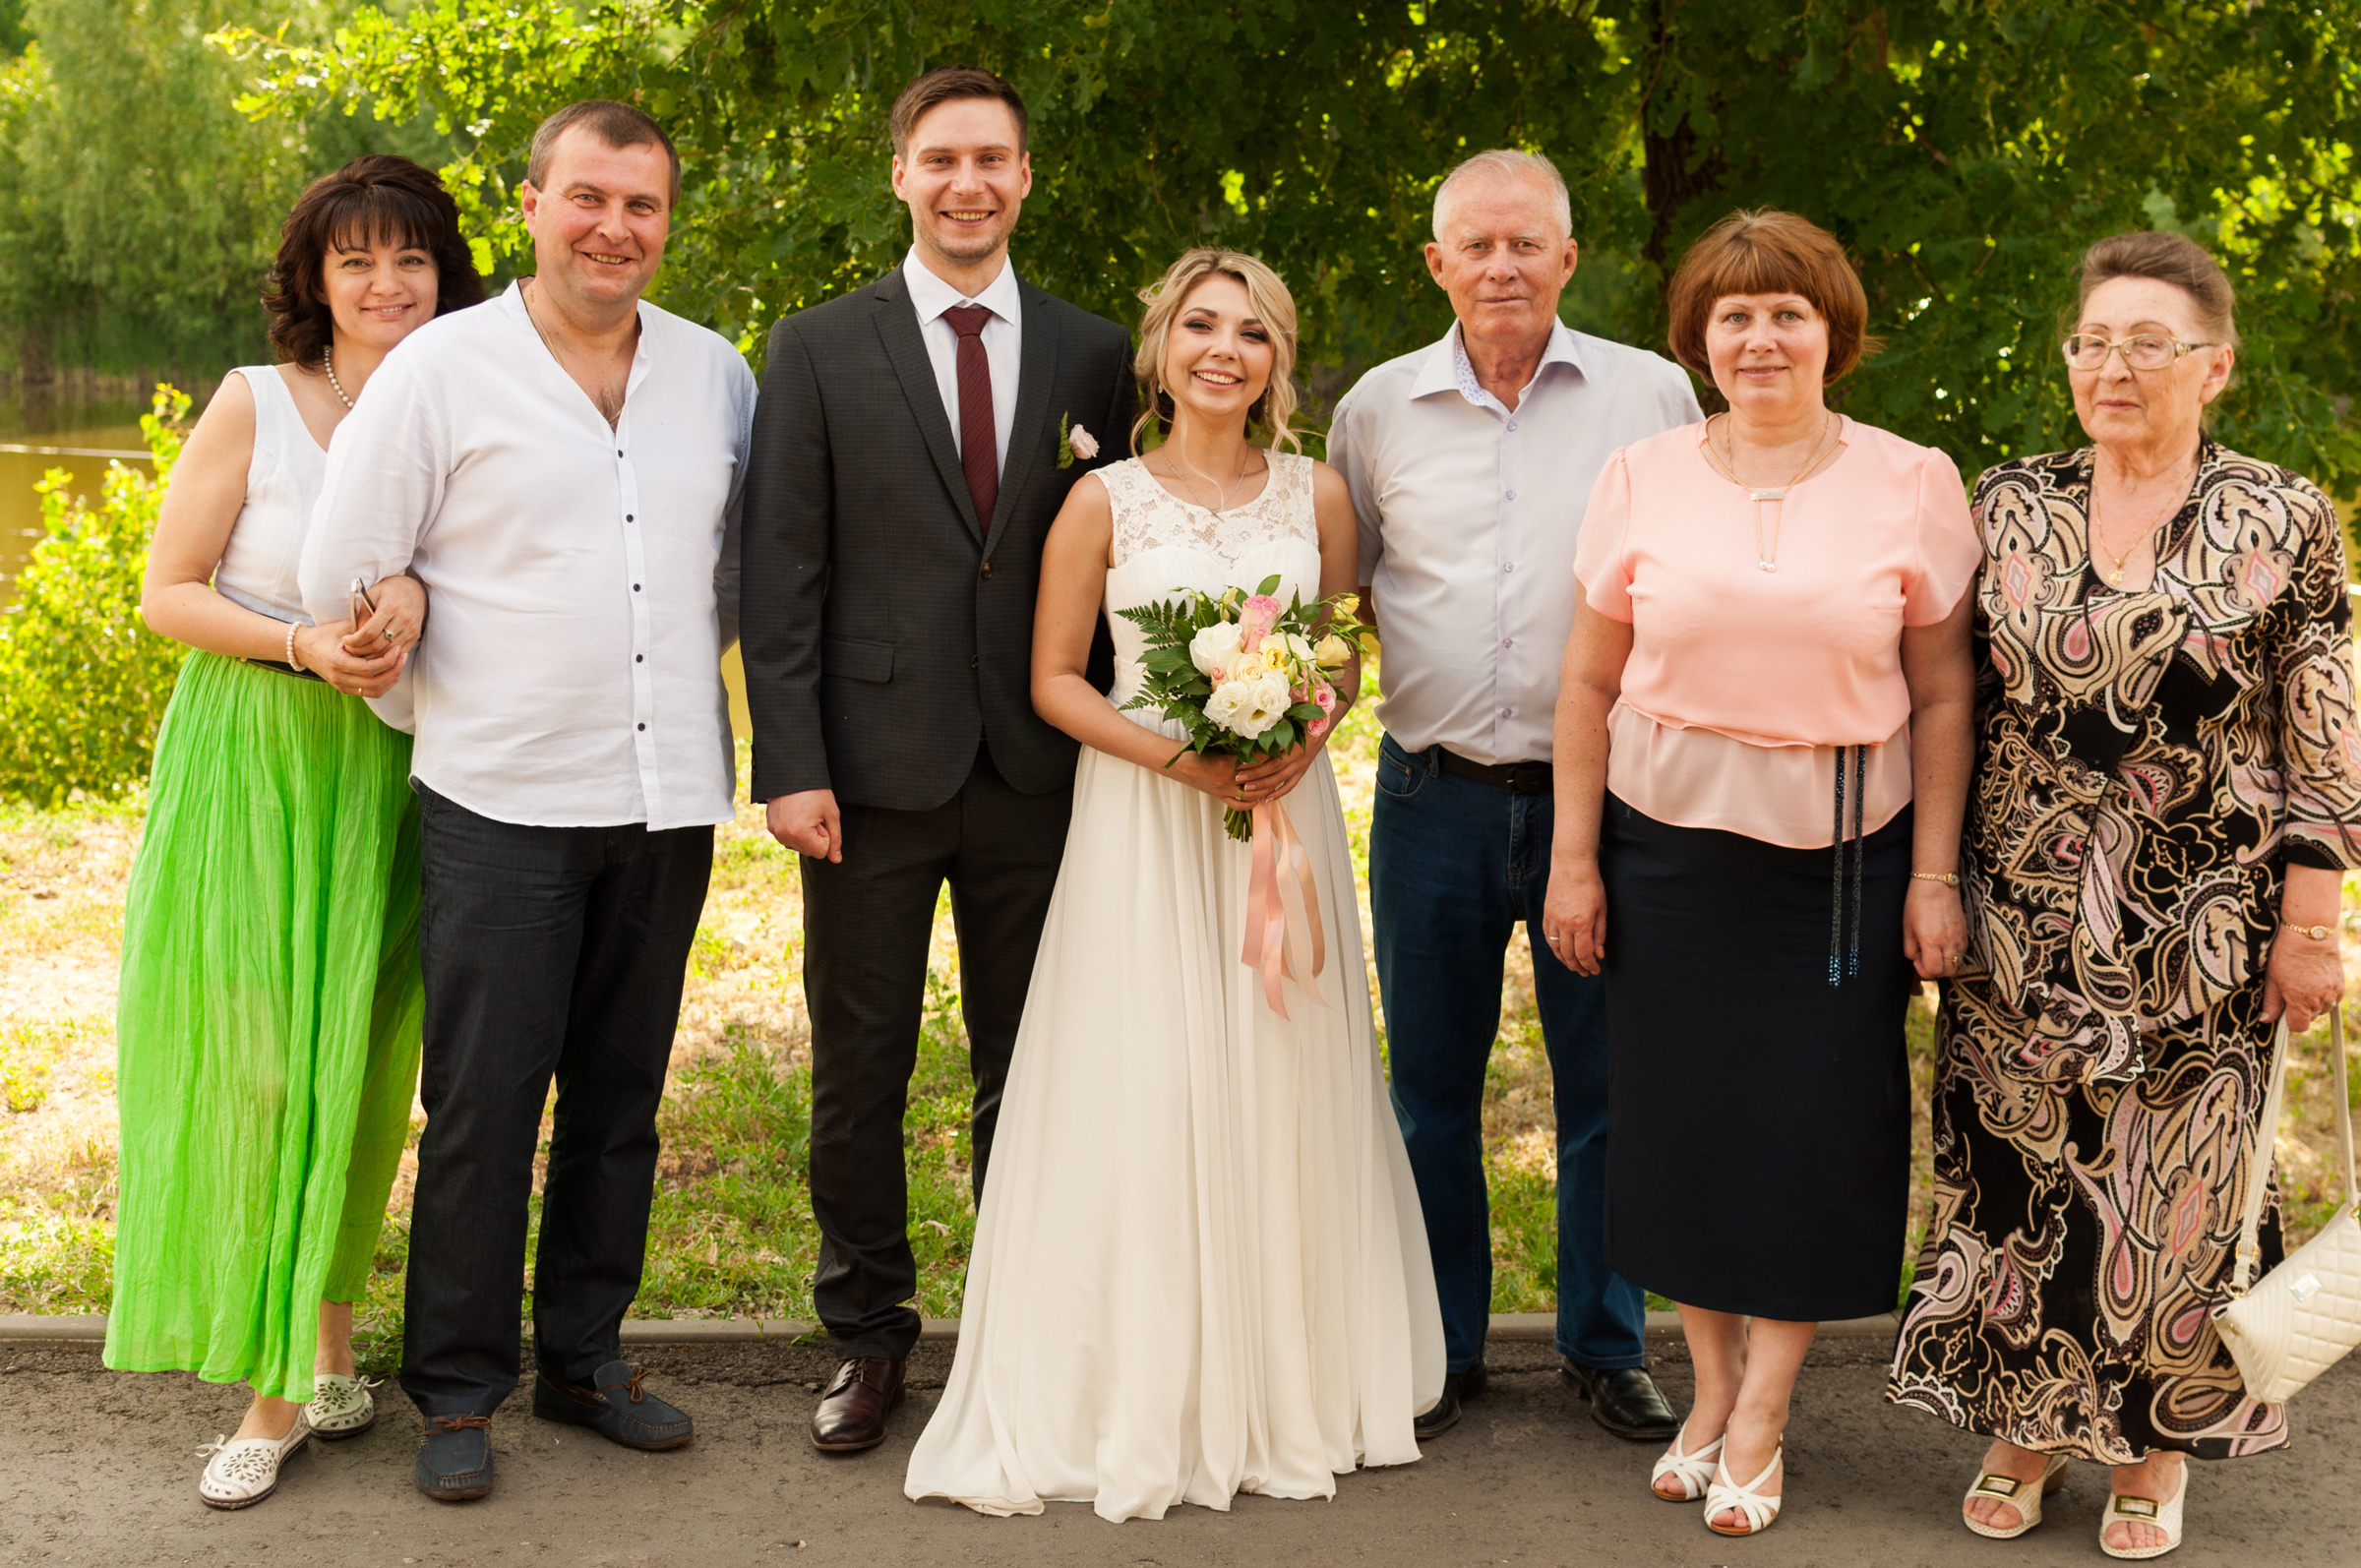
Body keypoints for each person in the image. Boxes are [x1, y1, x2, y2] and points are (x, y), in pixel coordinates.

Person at [903, 246, 1445, 1521]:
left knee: (1279, 1069)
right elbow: (1056, 680)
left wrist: (1297, 735)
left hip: (1284, 816)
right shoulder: (1102, 501)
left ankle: (1290, 1374)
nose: (1224, 348)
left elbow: (1345, 650)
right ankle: (1142, 1376)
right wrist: (1188, 760)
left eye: (1251, 332)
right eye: (1200, 324)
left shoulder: (1316, 495)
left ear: (1277, 360)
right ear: (1159, 350)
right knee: (1152, 1074)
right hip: (1148, 816)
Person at [299, 100, 755, 1502]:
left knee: (622, 1091)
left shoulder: (718, 374)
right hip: (498, 796)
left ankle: (586, 1357)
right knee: (488, 1099)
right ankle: (455, 1382)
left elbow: (732, 577)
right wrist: (432, 699)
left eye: (643, 205)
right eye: (589, 198)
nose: (615, 226)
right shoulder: (441, 370)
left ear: (667, 221)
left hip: (667, 787)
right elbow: (344, 573)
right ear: (534, 202)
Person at [1886, 230, 2361, 1560]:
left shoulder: (2285, 513)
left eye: (2150, 342)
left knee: (2180, 1186)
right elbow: (1948, 699)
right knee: (2019, 1170)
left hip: (2203, 913)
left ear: (2217, 365)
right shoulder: (2008, 502)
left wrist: (2310, 922)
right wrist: (1934, 876)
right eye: (2094, 340)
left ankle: (2158, 1439)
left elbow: (2321, 723)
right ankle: (2030, 1420)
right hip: (2020, 903)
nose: (2115, 366)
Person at [1545, 208, 1979, 1538]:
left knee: (1803, 1136)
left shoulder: (1914, 479)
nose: (1761, 335)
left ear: (1831, 330)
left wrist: (1934, 874)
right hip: (1664, 852)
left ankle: (1768, 1412)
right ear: (1702, 338)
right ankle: (1708, 1392)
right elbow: (1587, 678)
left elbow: (1945, 695)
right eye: (1734, 314)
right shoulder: (1640, 473)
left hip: (1843, 869)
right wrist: (1574, 857)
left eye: (1787, 310)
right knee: (1679, 1128)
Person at [738, 65, 1133, 1455]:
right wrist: (788, 761)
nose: (970, 182)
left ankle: (1027, 1331)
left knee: (1036, 1062)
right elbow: (776, 571)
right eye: (943, 158)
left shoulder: (1099, 356)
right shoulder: (817, 346)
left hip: (1045, 769)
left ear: (1027, 179)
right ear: (900, 173)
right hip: (867, 773)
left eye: (996, 160)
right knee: (862, 1064)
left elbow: (1128, 550)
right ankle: (867, 1332)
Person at [106, 152, 481, 1509]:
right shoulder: (259, 404)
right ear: (315, 281)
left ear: (446, 278)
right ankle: (271, 1388)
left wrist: (429, 613)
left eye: (412, 260)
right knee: (264, 1065)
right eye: (357, 260)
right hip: (259, 754)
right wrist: (302, 644)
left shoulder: (468, 407)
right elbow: (167, 592)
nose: (386, 283)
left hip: (404, 770)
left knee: (364, 1066)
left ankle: (330, 1346)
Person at [1326, 149, 1699, 1442]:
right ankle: (1445, 1346)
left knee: (1611, 1083)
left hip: (1604, 802)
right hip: (1432, 796)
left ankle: (1608, 1341)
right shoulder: (1375, 411)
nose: (1500, 266)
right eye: (1474, 246)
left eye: (1525, 243)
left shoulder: (1652, 397)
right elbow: (1351, 595)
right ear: (1435, 263)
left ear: (1567, 257)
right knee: (1429, 1085)